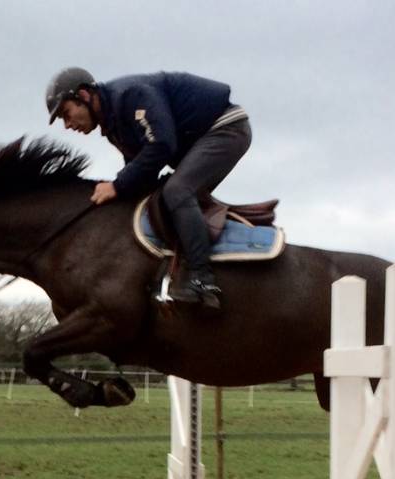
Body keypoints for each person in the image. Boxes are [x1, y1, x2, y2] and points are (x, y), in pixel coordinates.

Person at [46, 67, 252, 309]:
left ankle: (202, 279)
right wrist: (121, 191)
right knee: (156, 197)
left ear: (83, 96)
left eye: (66, 114)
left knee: (177, 191)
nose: (67, 125)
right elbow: (140, 170)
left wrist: (117, 186)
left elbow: (161, 145)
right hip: (199, 139)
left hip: (226, 129)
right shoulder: (114, 124)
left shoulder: (131, 95)